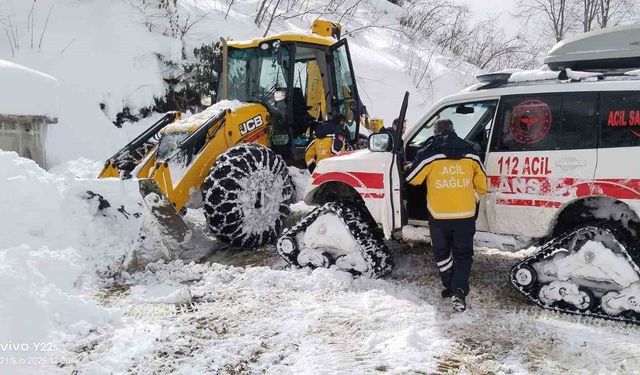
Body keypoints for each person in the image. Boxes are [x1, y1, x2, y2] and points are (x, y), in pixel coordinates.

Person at [405, 119, 488, 312]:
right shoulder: (471, 152)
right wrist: (473, 197)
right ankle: (459, 289)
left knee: (442, 252)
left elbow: (413, 180)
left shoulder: (428, 154)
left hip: (439, 215)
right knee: (463, 254)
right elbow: (483, 185)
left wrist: (410, 165)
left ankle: (449, 285)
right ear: (453, 131)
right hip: (465, 214)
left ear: (435, 133)